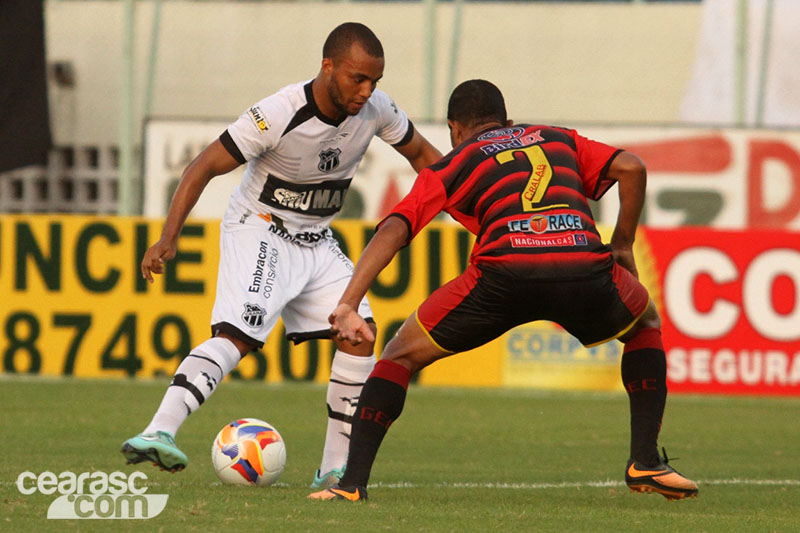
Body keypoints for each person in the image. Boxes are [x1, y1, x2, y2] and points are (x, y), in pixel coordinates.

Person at [309, 79, 699, 502]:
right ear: (507, 122)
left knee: (399, 356)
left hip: (503, 274)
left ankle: (351, 484)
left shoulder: (458, 160)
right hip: (582, 266)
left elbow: (396, 228)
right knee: (645, 325)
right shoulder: (557, 138)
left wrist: (349, 303)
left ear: (455, 129)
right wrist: (621, 244)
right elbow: (632, 168)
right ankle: (645, 461)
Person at [121, 22, 442, 490]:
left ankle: (333, 469)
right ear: (328, 66)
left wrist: (479, 195)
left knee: (359, 335)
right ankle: (159, 431)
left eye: (375, 81)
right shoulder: (277, 112)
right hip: (261, 228)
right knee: (237, 338)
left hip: (316, 238)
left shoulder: (376, 110)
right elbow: (204, 165)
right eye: (358, 78)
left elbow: (427, 158)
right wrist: (168, 237)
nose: (367, 91)